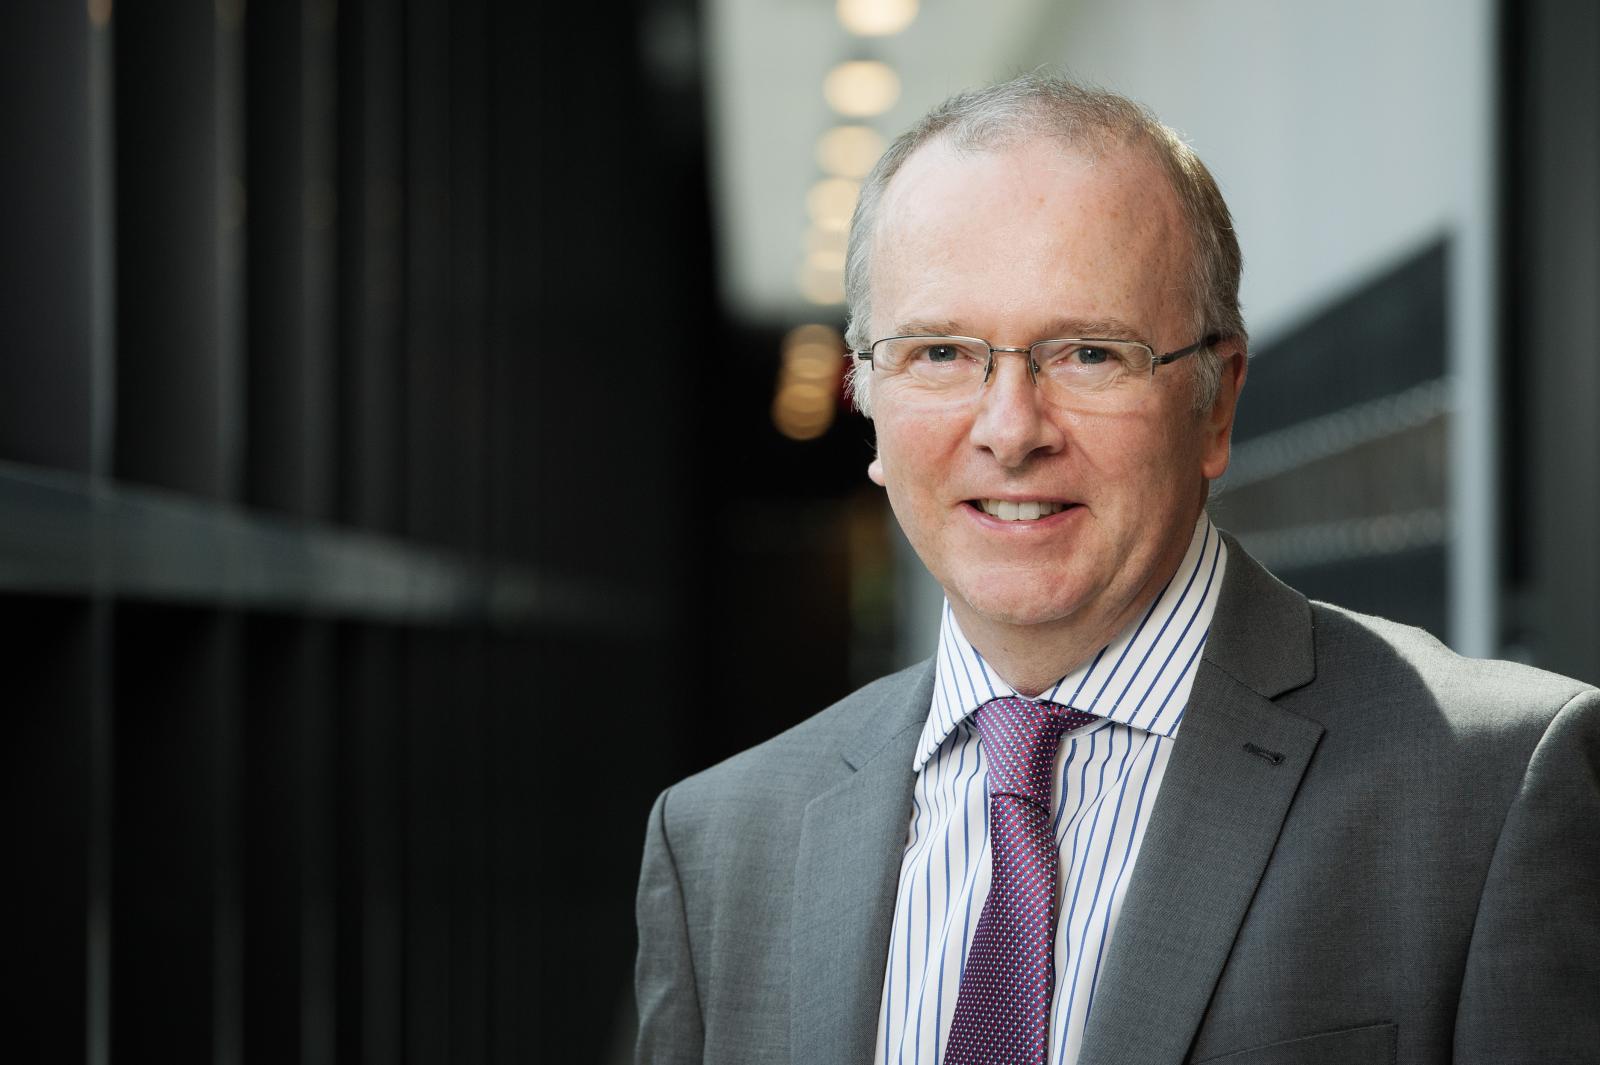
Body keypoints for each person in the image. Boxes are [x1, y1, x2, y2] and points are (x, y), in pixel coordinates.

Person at [634, 72, 1600, 1065]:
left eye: (1088, 353)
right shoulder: (720, 844)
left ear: (1214, 403)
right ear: (869, 397)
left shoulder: (1492, 793)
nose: (1010, 432)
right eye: (938, 354)